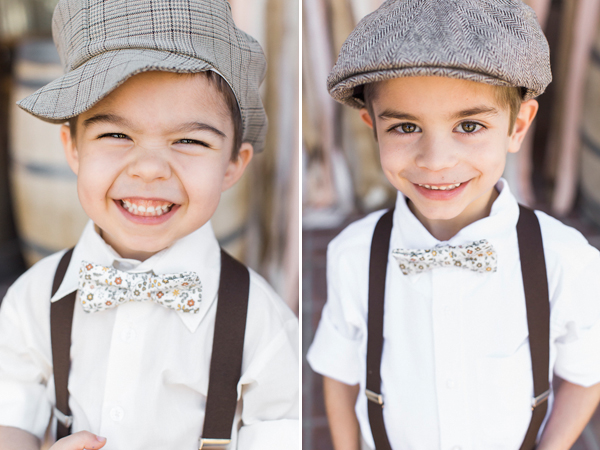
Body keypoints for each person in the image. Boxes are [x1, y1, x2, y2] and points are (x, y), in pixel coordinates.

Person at [0, 0, 299, 449]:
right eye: (117, 135)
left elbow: (280, 429)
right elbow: (11, 416)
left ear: (233, 165)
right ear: (73, 147)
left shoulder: (263, 323)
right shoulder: (32, 301)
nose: (149, 169)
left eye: (189, 140)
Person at [307, 1, 600, 449]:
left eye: (468, 125)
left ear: (517, 125)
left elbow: (586, 373)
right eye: (405, 128)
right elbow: (338, 371)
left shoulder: (565, 258)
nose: (436, 161)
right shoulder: (354, 253)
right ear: (372, 128)